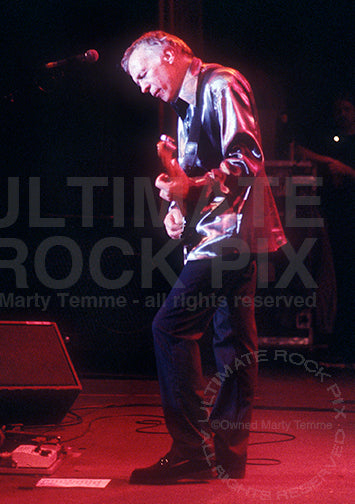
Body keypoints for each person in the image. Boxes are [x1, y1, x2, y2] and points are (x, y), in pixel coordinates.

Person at [121, 31, 286, 484]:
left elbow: (248, 159)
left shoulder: (220, 84)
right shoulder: (185, 105)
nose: (142, 86)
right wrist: (177, 208)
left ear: (170, 55)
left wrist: (188, 188)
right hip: (226, 234)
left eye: (143, 73)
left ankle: (192, 450)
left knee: (171, 327)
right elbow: (192, 177)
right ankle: (227, 457)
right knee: (234, 344)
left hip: (229, 237)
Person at [296, 92, 355, 362]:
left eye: (346, 109)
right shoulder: (331, 142)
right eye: (337, 109)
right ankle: (338, 341)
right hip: (337, 219)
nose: (341, 114)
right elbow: (300, 151)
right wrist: (330, 163)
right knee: (337, 278)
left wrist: (347, 171)